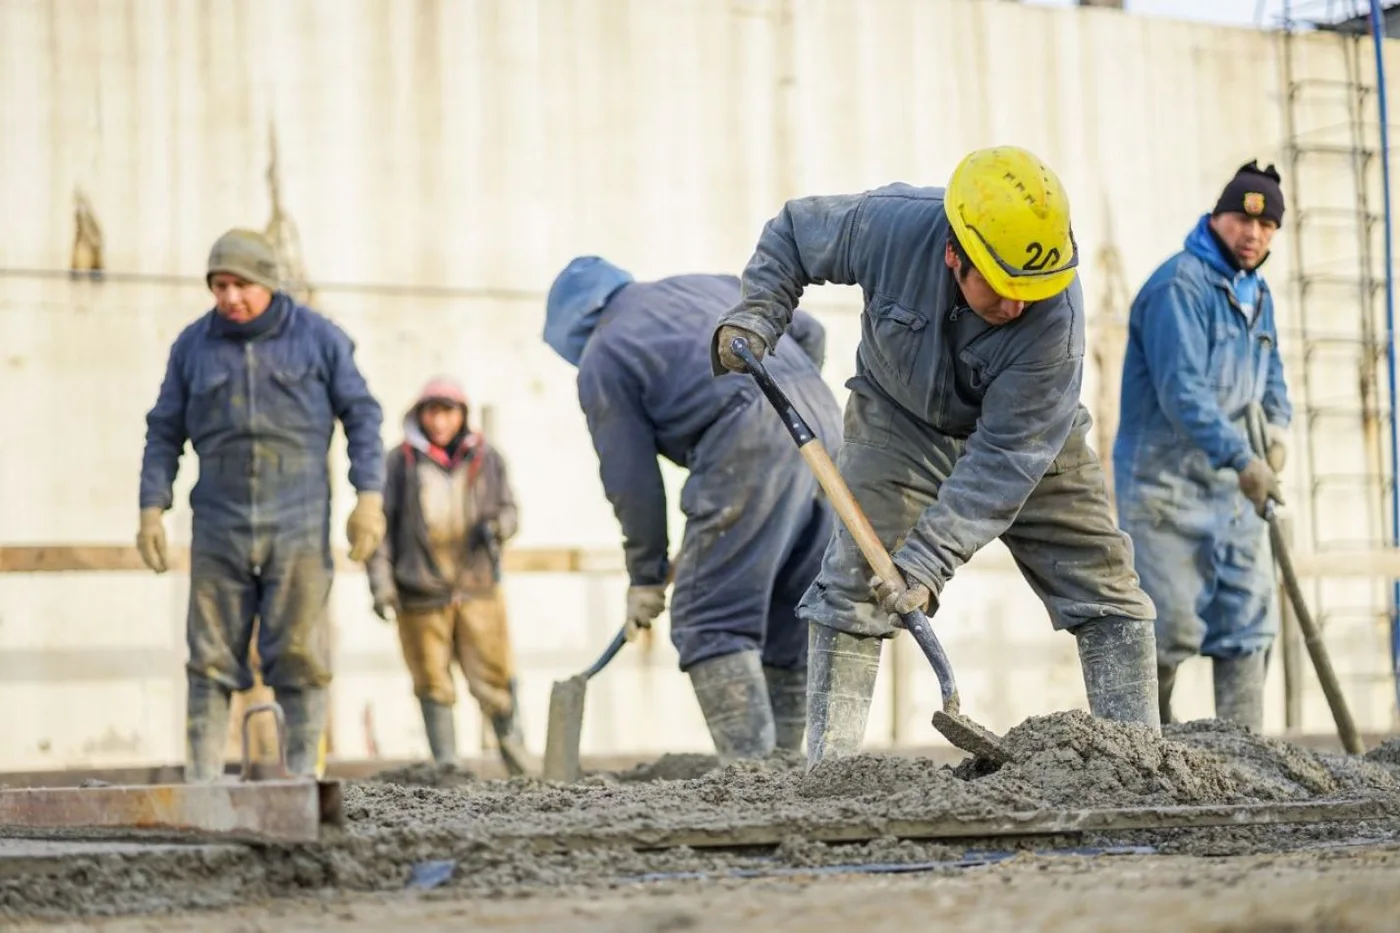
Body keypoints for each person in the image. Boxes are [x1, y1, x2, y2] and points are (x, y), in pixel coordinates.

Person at [711, 146, 1162, 767]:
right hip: (897, 420)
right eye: (1002, 292)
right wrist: (760, 313)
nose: (1017, 309)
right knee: (850, 589)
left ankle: (1140, 764)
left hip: (1030, 439)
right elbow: (791, 233)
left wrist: (926, 562)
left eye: (1033, 294)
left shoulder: (1053, 321)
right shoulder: (890, 226)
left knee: (1105, 583)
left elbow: (1004, 461)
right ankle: (829, 776)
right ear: (956, 253)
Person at [543, 257, 841, 762]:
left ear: (574, 330)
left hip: (749, 439)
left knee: (711, 615)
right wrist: (792, 405)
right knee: (790, 605)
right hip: (826, 425)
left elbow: (631, 480)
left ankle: (750, 771)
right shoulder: (708, 285)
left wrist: (645, 575)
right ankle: (792, 770)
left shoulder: (604, 353)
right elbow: (809, 330)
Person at [138, 228, 386, 781]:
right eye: (219, 285)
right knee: (208, 659)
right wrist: (152, 506)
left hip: (296, 517)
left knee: (298, 654)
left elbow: (363, 416)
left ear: (268, 283)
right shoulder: (192, 346)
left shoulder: (320, 339)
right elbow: (164, 430)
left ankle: (301, 782)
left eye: (240, 284)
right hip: (219, 520)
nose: (229, 296)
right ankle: (202, 785)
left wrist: (368, 496)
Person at [1113, 161, 1293, 732]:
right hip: (1166, 494)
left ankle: (1246, 759)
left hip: (1237, 498)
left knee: (1247, 627)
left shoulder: (1255, 293)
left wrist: (1278, 432)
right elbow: (1182, 392)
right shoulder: (1178, 287)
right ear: (1218, 217)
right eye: (1243, 218)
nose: (1254, 234)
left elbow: (1273, 379)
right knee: (1167, 631)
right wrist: (1243, 458)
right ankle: (1149, 750)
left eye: (1266, 228)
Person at [366, 377, 529, 775]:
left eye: (448, 411)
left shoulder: (487, 458)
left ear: (462, 415)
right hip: (420, 591)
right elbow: (379, 529)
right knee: (432, 681)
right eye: (432, 411)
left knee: (495, 676)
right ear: (420, 415)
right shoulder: (399, 463)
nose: (440, 421)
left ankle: (519, 762)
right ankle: (447, 766)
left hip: (477, 588)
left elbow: (510, 509)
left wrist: (497, 528)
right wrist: (382, 583)